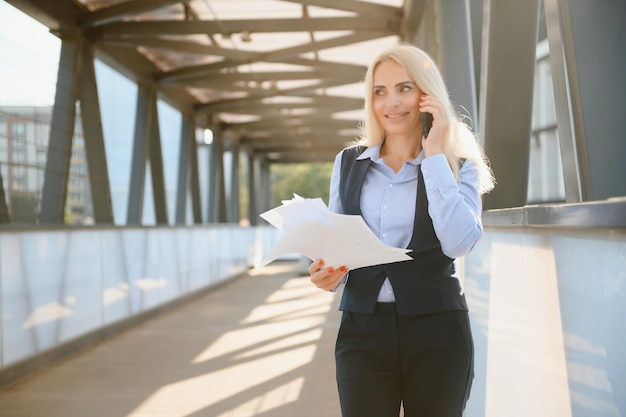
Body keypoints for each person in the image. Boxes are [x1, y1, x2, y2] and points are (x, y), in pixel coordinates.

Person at [308, 43, 495, 417]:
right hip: (362, 332)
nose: (390, 102)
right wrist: (327, 272)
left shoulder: (459, 165)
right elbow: (337, 243)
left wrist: (436, 154)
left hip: (437, 331)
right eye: (380, 92)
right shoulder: (348, 164)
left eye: (404, 88)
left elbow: (459, 242)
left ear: (428, 95)